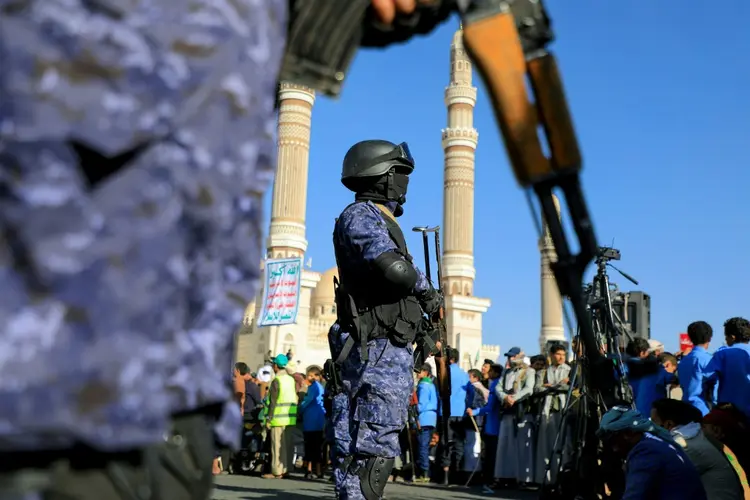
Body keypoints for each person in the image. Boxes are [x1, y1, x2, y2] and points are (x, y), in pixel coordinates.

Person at [0, 1, 460, 498]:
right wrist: (419, 284)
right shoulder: (362, 218)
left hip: (174, 377)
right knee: (367, 440)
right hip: (73, 367)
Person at [327, 139, 442, 500]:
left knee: (362, 448)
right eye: (399, 174)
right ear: (380, 175)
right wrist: (428, 292)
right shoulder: (361, 214)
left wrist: (424, 329)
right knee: (373, 448)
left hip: (379, 344)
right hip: (375, 348)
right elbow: (394, 269)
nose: (404, 182)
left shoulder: (379, 218)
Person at [598, 407, 707, 500]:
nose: (614, 449)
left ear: (629, 433)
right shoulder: (655, 442)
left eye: (614, 441)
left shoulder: (645, 452)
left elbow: (634, 496)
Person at [650, 398, 744, 500]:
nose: (649, 426)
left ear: (668, 424)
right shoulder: (698, 435)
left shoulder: (687, 446)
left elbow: (655, 481)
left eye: (653, 422)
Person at [494, 347, 536, 489]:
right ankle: (504, 476)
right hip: (507, 411)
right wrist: (505, 397)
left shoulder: (529, 371)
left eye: (513, 356)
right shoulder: (506, 372)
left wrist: (514, 398)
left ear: (520, 356)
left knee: (521, 446)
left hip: (522, 411)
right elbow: (498, 388)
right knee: (505, 445)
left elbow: (529, 389)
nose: (510, 359)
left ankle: (522, 479)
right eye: (509, 357)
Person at [534, 344, 571, 487]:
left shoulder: (569, 370)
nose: (561, 357)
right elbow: (537, 388)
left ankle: (562, 478)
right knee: (546, 444)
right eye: (558, 354)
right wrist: (558, 385)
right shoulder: (544, 372)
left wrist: (552, 386)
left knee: (563, 443)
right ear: (551, 355)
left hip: (562, 409)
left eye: (563, 354)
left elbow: (570, 386)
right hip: (547, 410)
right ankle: (547, 479)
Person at [706, 317, 750, 420]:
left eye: (726, 336)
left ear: (732, 337)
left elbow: (707, 377)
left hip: (729, 413)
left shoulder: (722, 354)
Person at [469, 363, 503, 494]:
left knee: (490, 456)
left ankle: (489, 481)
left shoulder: (495, 384)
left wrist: (475, 411)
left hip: (492, 426)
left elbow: (490, 407)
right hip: (494, 425)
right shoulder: (496, 383)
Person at [263, 354, 298, 480]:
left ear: (276, 366)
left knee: (277, 446)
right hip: (290, 419)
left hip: (278, 418)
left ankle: (276, 471)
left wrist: (268, 418)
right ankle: (285, 469)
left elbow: (273, 402)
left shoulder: (276, 380)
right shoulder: (291, 379)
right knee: (287, 446)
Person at [441, 348, 471, 485]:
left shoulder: (445, 372)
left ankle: (445, 477)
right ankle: (457, 475)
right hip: (460, 413)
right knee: (459, 445)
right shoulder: (464, 374)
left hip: (446, 412)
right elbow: (471, 393)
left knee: (446, 443)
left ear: (449, 359)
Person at [679, 321, 717, 415]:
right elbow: (716, 389)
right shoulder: (709, 360)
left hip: (685, 409)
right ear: (710, 338)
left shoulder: (684, 360)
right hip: (703, 411)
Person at [300, 366, 326, 480]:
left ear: (317, 376)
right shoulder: (317, 387)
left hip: (312, 421)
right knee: (316, 447)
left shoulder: (315, 387)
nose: (308, 378)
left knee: (312, 447)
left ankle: (311, 469)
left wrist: (299, 409)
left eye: (311, 375)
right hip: (317, 420)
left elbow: (307, 401)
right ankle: (317, 470)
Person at [415, 363, 438, 483]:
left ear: (425, 372)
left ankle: (424, 473)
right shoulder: (431, 384)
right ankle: (426, 471)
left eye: (419, 371)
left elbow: (421, 404)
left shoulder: (423, 385)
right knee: (426, 445)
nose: (417, 373)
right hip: (431, 417)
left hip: (423, 417)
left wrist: (414, 411)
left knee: (422, 446)